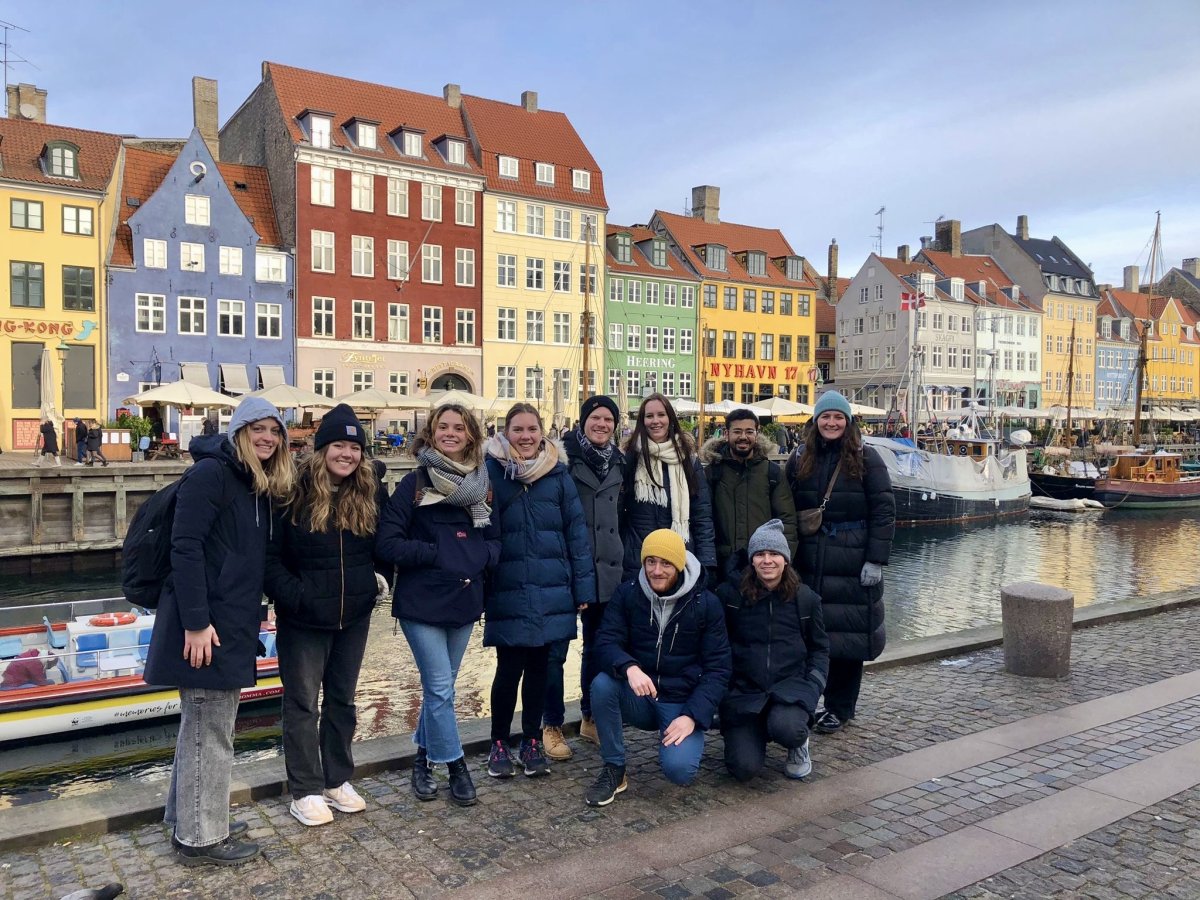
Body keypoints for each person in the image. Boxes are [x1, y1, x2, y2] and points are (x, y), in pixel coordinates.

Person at [144, 396, 295, 866]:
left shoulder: (251, 482)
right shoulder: (212, 474)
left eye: (275, 430)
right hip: (205, 626)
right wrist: (195, 622)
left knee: (201, 726)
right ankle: (201, 838)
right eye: (258, 429)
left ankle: (186, 817)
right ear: (239, 433)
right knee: (211, 730)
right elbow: (184, 547)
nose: (268, 437)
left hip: (228, 620)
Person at [264, 404, 389, 828]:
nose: (347, 454)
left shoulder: (370, 491)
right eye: (339, 444)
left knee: (343, 700)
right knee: (302, 704)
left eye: (355, 447)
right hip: (303, 618)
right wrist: (296, 596)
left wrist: (376, 581)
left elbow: (384, 545)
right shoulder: (290, 491)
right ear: (322, 449)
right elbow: (271, 559)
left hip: (353, 614)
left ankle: (337, 779)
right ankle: (305, 789)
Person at [376, 404, 499, 807]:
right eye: (442, 427)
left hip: (465, 600)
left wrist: (479, 558)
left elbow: (495, 538)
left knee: (438, 690)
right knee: (442, 687)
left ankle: (423, 758)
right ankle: (456, 765)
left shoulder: (482, 484)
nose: (450, 433)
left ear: (470, 435)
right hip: (422, 603)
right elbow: (388, 542)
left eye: (458, 428)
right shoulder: (413, 483)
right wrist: (440, 553)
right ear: (430, 434)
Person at [483, 403, 595, 779]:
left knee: (540, 671)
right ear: (506, 432)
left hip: (551, 588)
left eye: (532, 429)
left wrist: (583, 586)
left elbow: (576, 535)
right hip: (509, 586)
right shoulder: (490, 473)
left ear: (542, 432)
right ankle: (499, 742)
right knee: (508, 669)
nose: (526, 437)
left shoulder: (558, 475)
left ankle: (531, 740)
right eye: (518, 430)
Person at [585, 529, 731, 807]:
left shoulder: (706, 604)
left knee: (680, 771)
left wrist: (692, 716)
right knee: (602, 684)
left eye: (665, 563)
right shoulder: (628, 593)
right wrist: (629, 667)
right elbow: (605, 642)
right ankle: (614, 768)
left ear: (678, 565)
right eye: (650, 561)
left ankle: (685, 734)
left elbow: (718, 669)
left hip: (681, 701)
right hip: (642, 696)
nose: (656, 570)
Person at [787, 391, 894, 735]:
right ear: (815, 421)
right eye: (825, 417)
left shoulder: (868, 458)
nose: (831, 423)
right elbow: (787, 505)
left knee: (847, 639)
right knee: (810, 635)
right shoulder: (800, 457)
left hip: (851, 557)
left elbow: (883, 510)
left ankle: (839, 708)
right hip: (810, 555)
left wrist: (875, 560)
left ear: (848, 423)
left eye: (838, 418)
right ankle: (805, 700)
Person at [717, 520, 829, 782]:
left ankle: (797, 743)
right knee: (743, 768)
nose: (767, 560)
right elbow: (717, 648)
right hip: (745, 692)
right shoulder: (730, 597)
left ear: (785, 560)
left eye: (774, 554)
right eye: (760, 554)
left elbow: (820, 649)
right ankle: (752, 734)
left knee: (787, 728)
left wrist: (813, 686)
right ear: (751, 561)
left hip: (790, 688)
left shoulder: (805, 599)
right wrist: (723, 690)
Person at [546, 395, 627, 756]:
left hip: (607, 568)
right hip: (566, 565)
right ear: (583, 421)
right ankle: (550, 724)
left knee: (597, 647)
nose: (602, 424)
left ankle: (590, 717)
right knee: (555, 651)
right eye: (596, 417)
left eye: (608, 419)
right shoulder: (560, 460)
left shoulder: (621, 462)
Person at [621, 394, 716, 583]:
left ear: (670, 419)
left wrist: (707, 564)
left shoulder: (689, 460)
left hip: (680, 556)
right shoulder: (629, 458)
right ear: (642, 421)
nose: (655, 421)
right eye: (649, 416)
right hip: (639, 559)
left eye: (661, 415)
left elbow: (702, 516)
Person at [701, 408, 797, 583]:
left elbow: (787, 521)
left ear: (757, 433)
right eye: (737, 431)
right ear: (726, 433)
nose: (743, 437)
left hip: (763, 566)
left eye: (749, 431)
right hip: (722, 566)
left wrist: (783, 559)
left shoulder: (772, 473)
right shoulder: (712, 473)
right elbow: (702, 520)